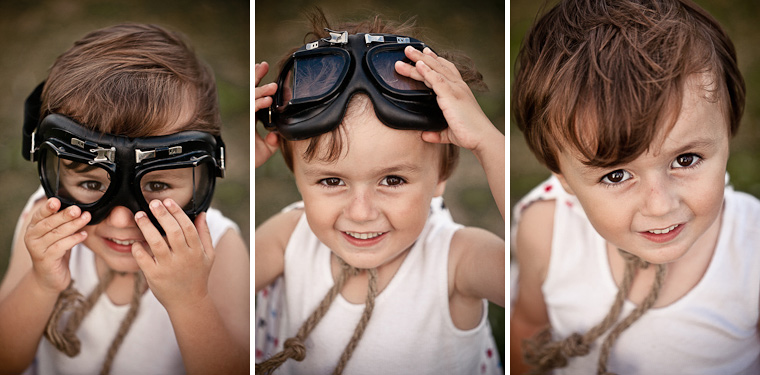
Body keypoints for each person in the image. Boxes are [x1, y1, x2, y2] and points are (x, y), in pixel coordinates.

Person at [510, 0, 759, 373]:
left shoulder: (752, 247)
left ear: (728, 133)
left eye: (686, 159)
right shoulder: (546, 233)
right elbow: (529, 327)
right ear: (562, 177)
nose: (660, 206)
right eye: (615, 175)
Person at [254, 9, 505, 375]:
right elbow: (212, 293)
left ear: (441, 176)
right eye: (331, 181)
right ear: (297, 176)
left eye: (392, 180)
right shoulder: (287, 237)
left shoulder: (457, 261)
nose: (360, 212)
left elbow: (534, 279)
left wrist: (487, 143)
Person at [0, 24, 249, 374]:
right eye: (89, 184)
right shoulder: (45, 229)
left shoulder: (218, 249)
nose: (120, 219)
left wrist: (190, 300)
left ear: (207, 172)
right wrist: (41, 283)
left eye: (158, 186)